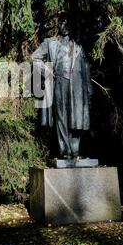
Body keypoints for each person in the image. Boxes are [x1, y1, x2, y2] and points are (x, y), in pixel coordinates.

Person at [31, 16, 93, 158]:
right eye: (62, 22)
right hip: (58, 82)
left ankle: (75, 152)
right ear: (58, 25)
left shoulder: (78, 47)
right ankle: (65, 152)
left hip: (76, 87)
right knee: (61, 117)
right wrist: (48, 71)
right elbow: (35, 57)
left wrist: (89, 90)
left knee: (75, 118)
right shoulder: (50, 43)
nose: (64, 25)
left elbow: (86, 68)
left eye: (67, 22)